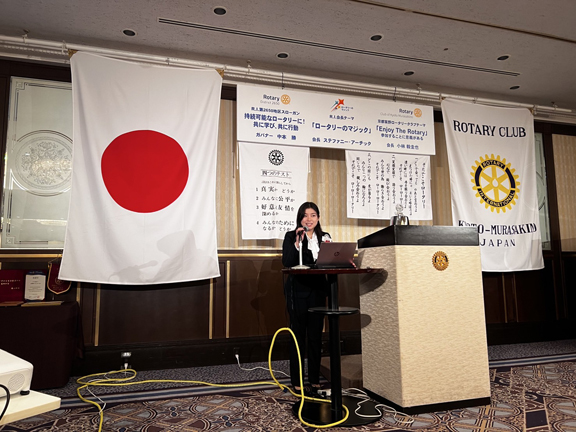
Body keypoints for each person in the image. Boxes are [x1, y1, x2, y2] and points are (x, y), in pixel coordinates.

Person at [282, 202, 332, 395]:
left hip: (318, 291)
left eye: (313, 215)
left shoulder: (325, 237)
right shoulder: (291, 236)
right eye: (305, 215)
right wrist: (297, 241)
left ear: (318, 218)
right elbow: (287, 261)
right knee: (298, 337)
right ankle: (297, 380)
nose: (308, 219)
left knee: (315, 337)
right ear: (299, 218)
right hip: (298, 292)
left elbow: (330, 262)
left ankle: (314, 378)